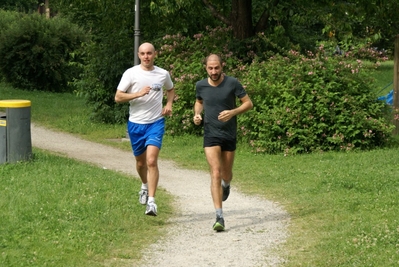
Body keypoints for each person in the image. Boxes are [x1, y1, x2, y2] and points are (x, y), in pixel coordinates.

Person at [193, 54, 253, 231]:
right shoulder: (200, 85)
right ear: (206, 68)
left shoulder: (232, 83)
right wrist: (197, 114)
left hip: (229, 133)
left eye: (216, 68)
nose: (213, 71)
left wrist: (233, 112)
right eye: (210, 68)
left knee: (226, 174)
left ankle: (226, 186)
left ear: (222, 66)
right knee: (215, 172)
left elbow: (248, 103)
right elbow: (199, 102)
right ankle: (219, 216)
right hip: (211, 134)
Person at [115, 42, 175, 216]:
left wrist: (169, 104)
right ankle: (144, 185)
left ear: (155, 54)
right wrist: (137, 94)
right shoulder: (131, 73)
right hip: (135, 124)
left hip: (156, 123)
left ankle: (152, 202)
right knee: (141, 163)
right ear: (138, 55)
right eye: (143, 53)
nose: (146, 56)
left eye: (149, 53)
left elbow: (170, 90)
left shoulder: (163, 74)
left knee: (151, 161)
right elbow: (118, 97)